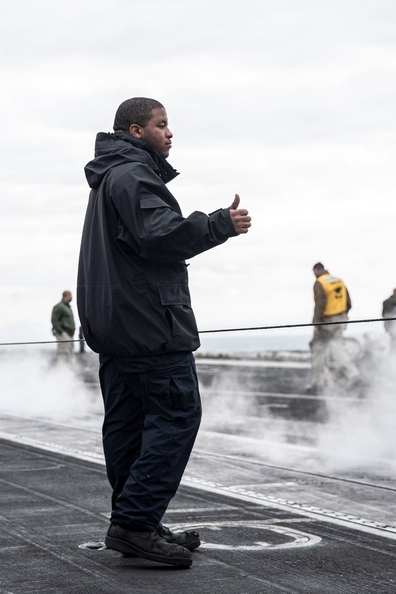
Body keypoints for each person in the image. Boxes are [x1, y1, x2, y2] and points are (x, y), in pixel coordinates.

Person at [77, 97, 252, 567]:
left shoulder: (109, 178)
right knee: (176, 417)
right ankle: (135, 524)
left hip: (118, 328)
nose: (170, 133)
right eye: (162, 124)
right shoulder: (134, 175)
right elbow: (159, 235)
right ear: (136, 132)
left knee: (129, 429)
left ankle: (136, 520)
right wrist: (219, 225)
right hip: (150, 325)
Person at [307, 262, 357, 393]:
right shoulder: (338, 281)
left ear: (317, 270)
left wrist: (316, 324)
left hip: (328, 320)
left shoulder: (320, 283)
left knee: (318, 350)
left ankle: (316, 382)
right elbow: (349, 302)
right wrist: (343, 315)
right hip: (341, 319)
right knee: (336, 348)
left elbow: (319, 305)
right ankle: (352, 373)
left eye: (314, 272)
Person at [50, 290, 76, 358]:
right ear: (67, 295)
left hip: (69, 333)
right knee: (63, 351)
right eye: (71, 295)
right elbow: (54, 320)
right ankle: (61, 367)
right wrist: (60, 331)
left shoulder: (67, 307)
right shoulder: (59, 306)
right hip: (63, 333)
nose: (72, 297)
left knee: (70, 351)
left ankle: (69, 367)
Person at [382, 288, 396, 353]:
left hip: (388, 324)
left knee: (394, 340)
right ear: (395, 292)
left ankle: (394, 353)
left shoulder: (385, 301)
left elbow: (383, 314)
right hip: (393, 325)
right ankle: (395, 353)